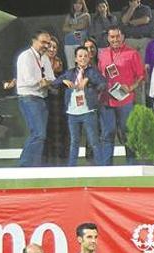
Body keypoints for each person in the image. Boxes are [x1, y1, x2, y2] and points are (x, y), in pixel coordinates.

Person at [98, 26, 144, 165]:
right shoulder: (103, 54)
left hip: (125, 99)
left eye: (117, 36)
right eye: (112, 37)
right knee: (107, 133)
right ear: (108, 38)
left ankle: (131, 165)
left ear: (122, 37)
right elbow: (100, 74)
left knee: (127, 132)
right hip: (107, 99)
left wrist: (130, 87)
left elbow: (141, 76)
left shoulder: (132, 53)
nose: (115, 39)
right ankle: (106, 167)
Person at [55, 45, 107, 167]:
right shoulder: (69, 73)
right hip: (73, 113)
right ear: (75, 59)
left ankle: (101, 167)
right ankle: (71, 167)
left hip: (88, 111)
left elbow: (103, 84)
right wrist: (63, 81)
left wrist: (89, 81)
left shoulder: (92, 72)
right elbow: (54, 83)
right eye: (80, 56)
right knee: (74, 142)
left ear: (89, 58)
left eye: (85, 56)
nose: (83, 58)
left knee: (94, 141)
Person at [16, 31, 56, 167]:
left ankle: (34, 166)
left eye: (48, 43)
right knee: (38, 133)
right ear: (34, 41)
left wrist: (46, 82)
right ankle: (24, 165)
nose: (46, 45)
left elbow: (52, 78)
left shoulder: (44, 58)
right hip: (29, 97)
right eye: (43, 42)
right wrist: (43, 82)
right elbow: (28, 80)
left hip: (41, 98)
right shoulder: (25, 56)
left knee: (40, 135)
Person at [44, 38, 69, 166]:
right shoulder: (40, 63)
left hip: (59, 100)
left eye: (55, 47)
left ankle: (61, 158)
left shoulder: (60, 63)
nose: (52, 50)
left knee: (60, 128)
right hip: (45, 99)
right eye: (50, 47)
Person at [62, 0, 92, 69]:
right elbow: (64, 28)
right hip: (68, 43)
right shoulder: (69, 16)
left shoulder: (86, 15)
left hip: (80, 42)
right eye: (75, 3)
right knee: (71, 66)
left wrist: (70, 26)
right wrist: (75, 28)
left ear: (83, 5)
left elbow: (82, 26)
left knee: (83, 64)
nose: (77, 5)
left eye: (79, 3)